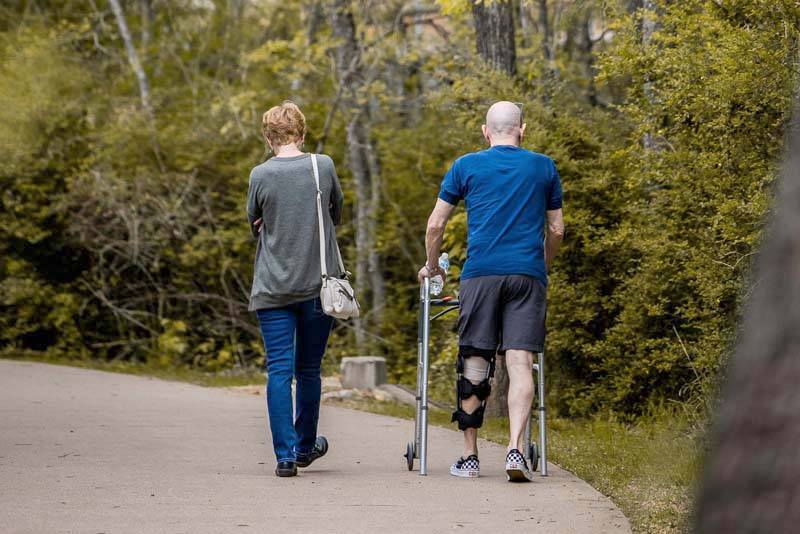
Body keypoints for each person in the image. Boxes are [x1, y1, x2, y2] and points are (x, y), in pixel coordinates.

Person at [417, 101, 564, 482]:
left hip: (481, 274)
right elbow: (558, 230)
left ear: (486, 132)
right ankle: (516, 450)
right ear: (522, 129)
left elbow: (435, 225)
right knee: (520, 363)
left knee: (475, 362)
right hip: (526, 276)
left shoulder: (465, 166)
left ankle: (470, 456)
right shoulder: (543, 166)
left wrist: (433, 267)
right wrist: (540, 268)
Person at [246, 101, 344, 477]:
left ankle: (285, 457)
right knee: (308, 369)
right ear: (302, 134)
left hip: (272, 287)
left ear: (268, 137)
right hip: (318, 285)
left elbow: (253, 221)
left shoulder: (259, 174)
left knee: (278, 371)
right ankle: (306, 447)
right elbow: (336, 214)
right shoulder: (324, 166)